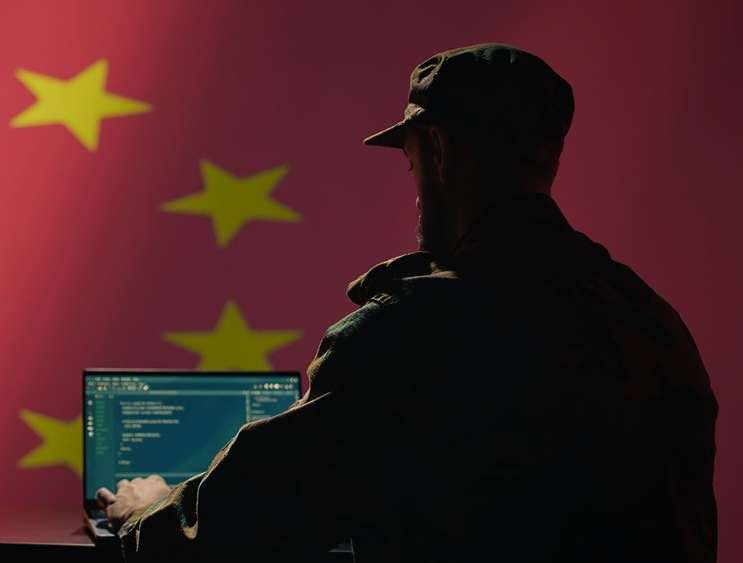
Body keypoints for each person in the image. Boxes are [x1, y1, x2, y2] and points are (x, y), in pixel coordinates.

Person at [95, 43, 719, 562]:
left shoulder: (408, 333)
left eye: (411, 161)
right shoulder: (653, 321)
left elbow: (226, 531)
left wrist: (145, 511)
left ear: (439, 151)